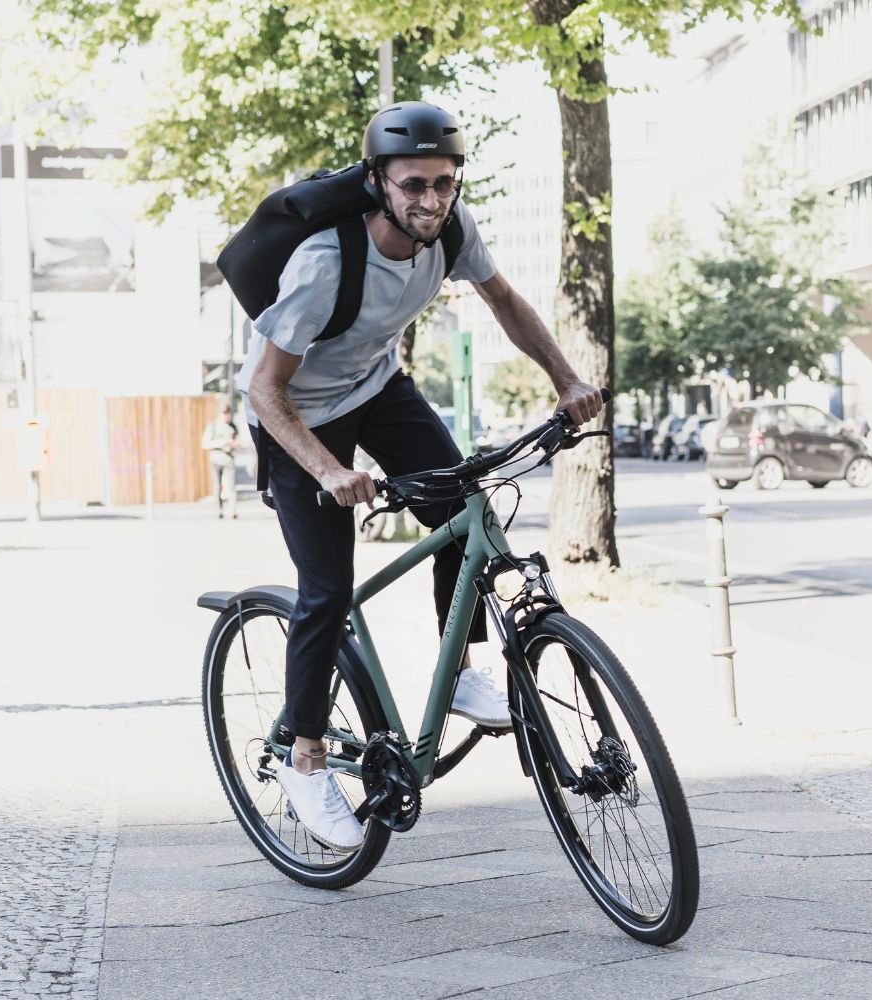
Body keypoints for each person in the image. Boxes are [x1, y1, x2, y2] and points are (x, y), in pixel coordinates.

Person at [239, 102, 603, 851]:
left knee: (463, 510)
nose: (431, 200)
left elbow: (505, 302)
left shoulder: (453, 231)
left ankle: (461, 670)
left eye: (444, 183)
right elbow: (265, 389)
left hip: (376, 389)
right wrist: (328, 470)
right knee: (326, 587)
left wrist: (566, 379)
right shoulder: (325, 263)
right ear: (377, 181)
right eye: (414, 184)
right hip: (298, 415)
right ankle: (304, 758)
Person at [201, 399, 241, 519]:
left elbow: (238, 442)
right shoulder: (212, 426)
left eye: (227, 413)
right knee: (217, 486)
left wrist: (232, 443)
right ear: (219, 413)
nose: (226, 416)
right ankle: (219, 510)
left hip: (229, 459)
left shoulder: (233, 426)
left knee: (232, 486)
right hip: (216, 460)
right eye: (224, 413)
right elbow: (205, 444)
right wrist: (221, 442)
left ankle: (232, 510)